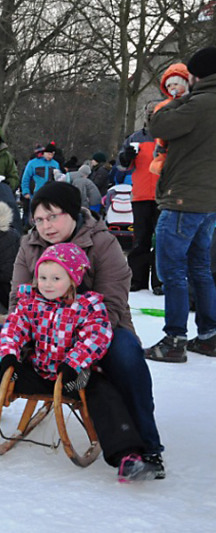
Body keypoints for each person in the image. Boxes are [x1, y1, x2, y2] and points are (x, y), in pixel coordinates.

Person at [0, 181, 165, 477]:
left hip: (97, 331)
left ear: (72, 213)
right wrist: (28, 342)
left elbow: (111, 305)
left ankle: (147, 444)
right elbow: (17, 300)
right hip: (41, 333)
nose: (46, 226)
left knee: (126, 352)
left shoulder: (103, 244)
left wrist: (74, 350)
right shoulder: (30, 244)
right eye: (39, 219)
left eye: (53, 216)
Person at [0, 243, 161, 482]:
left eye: (56, 278)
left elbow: (97, 337)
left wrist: (74, 363)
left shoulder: (88, 307)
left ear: (73, 279)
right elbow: (13, 329)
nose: (47, 285)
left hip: (77, 377)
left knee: (105, 396)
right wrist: (9, 354)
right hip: (39, 370)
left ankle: (128, 455)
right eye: (42, 278)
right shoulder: (31, 303)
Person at [144, 46, 216, 362]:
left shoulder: (198, 103)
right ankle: (209, 336)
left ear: (196, 75)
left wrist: (178, 99)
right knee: (200, 267)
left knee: (171, 269)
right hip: (209, 201)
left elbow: (159, 125)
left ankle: (174, 339)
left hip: (183, 198)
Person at [118, 109, 164, 294]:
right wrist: (126, 157)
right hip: (141, 195)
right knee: (140, 240)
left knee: (161, 241)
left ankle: (159, 281)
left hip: (163, 196)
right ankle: (137, 279)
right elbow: (121, 166)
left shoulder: (171, 138)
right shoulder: (135, 139)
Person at [149, 63, 191, 177]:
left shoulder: (192, 102)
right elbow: (159, 125)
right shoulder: (164, 105)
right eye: (169, 85)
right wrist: (160, 143)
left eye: (176, 84)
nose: (172, 87)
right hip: (167, 143)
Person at [21, 144, 61, 227]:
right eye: (49, 154)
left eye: (52, 154)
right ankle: (32, 228)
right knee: (34, 213)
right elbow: (26, 178)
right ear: (44, 153)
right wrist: (25, 191)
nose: (50, 156)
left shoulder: (55, 164)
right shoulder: (33, 163)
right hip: (36, 193)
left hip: (50, 193)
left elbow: (58, 179)